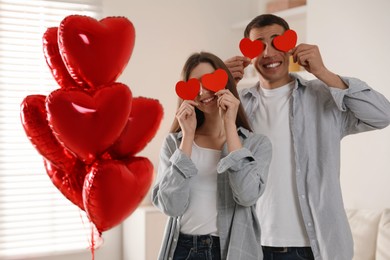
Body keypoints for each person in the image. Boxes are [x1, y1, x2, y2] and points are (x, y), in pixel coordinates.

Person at [225, 14, 390, 260]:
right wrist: (223, 86)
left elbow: (382, 115)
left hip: (316, 248)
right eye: (259, 45)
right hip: (252, 246)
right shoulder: (237, 107)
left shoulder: (324, 97)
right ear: (249, 55)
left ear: (291, 46)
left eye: (277, 42)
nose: (268, 53)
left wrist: (323, 72)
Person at [152, 51, 272, 260]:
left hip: (230, 251)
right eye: (193, 85)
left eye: (208, 81)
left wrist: (230, 127)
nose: (201, 91)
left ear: (224, 83)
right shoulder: (174, 143)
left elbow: (247, 196)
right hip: (182, 249)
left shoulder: (256, 144)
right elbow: (171, 206)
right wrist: (187, 138)